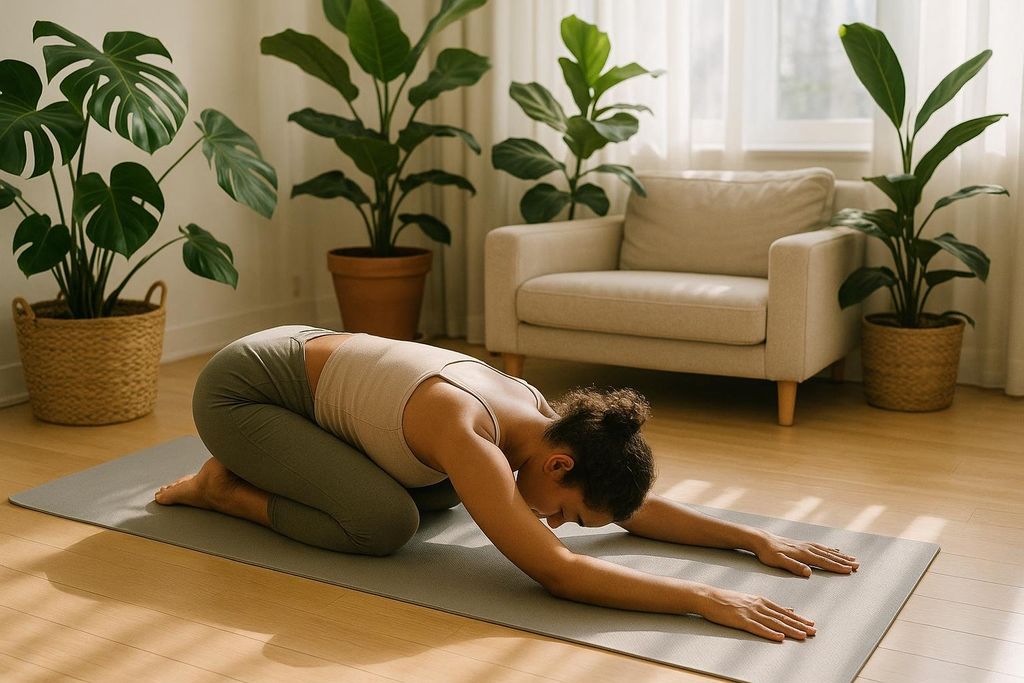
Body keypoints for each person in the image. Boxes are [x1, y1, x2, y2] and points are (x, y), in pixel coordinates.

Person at [155, 324, 859, 642]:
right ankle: (224, 488)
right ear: (559, 465)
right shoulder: (470, 432)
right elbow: (558, 572)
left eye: (570, 520)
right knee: (384, 524)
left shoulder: (541, 420)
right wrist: (703, 598)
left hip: (310, 369)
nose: (554, 521)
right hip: (243, 392)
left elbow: (629, 513)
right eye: (568, 510)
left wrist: (751, 538)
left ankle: (256, 473)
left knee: (435, 494)